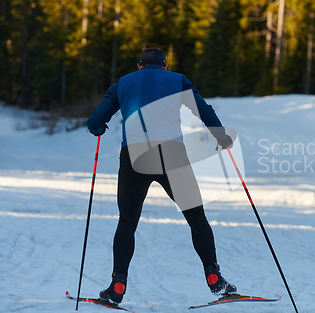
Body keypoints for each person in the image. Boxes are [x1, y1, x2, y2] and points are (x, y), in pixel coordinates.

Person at [87, 48, 236, 305]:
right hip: (171, 155)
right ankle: (214, 276)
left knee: (127, 222)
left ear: (139, 66)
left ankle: (118, 283)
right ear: (165, 67)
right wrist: (221, 136)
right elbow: (203, 110)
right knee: (196, 217)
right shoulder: (178, 79)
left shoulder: (122, 83)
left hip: (134, 155)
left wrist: (100, 127)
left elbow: (94, 123)